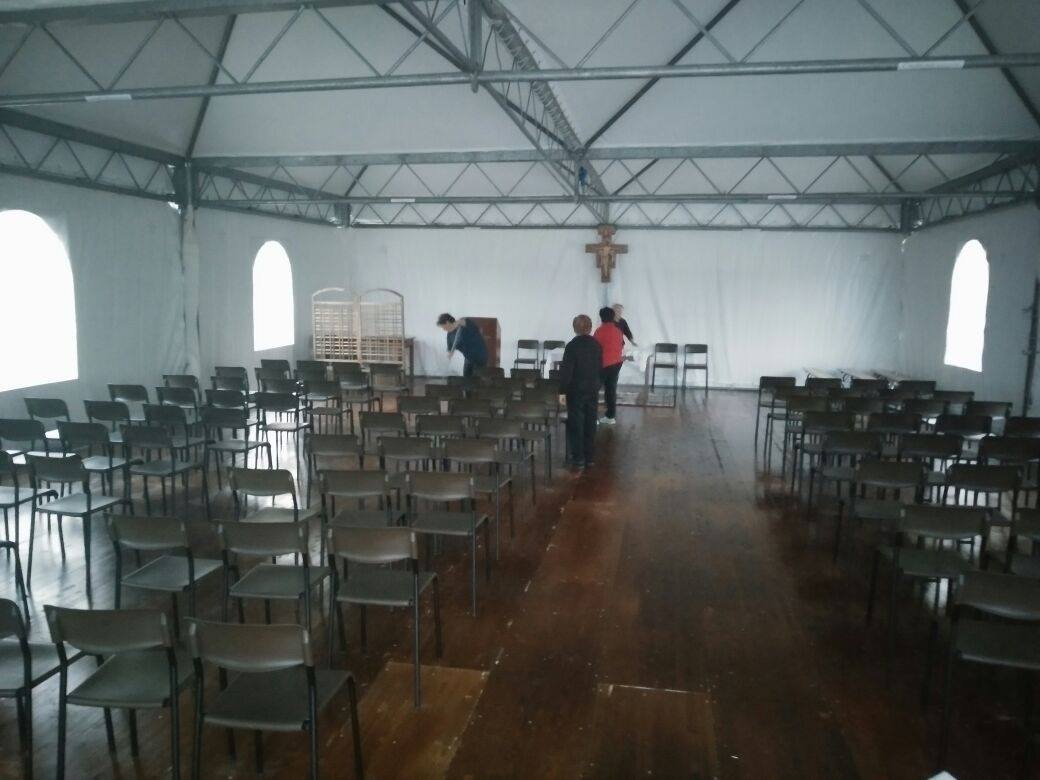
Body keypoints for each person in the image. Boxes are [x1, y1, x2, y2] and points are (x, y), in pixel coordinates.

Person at [559, 314, 602, 470]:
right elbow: (600, 367)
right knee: (591, 423)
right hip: (592, 388)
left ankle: (578, 458)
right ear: (590, 328)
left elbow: (566, 372)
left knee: (576, 424)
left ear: (575, 328)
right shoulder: (596, 345)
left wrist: (562, 392)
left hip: (576, 390)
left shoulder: (572, 346)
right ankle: (589, 457)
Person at [594, 306, 624, 426]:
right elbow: (621, 345)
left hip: (603, 364)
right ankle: (610, 416)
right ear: (612, 317)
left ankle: (593, 418)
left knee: (593, 390)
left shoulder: (599, 331)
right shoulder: (618, 331)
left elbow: (595, 348)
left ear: (601, 318)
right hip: (616, 363)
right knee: (611, 390)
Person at [437, 313, 487, 378]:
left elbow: (463, 320)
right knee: (466, 379)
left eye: (443, 326)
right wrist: (446, 361)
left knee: (478, 379)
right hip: (468, 359)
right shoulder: (449, 336)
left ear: (447, 322)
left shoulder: (464, 325)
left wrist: (455, 325)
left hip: (480, 357)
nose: (443, 329)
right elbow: (450, 351)